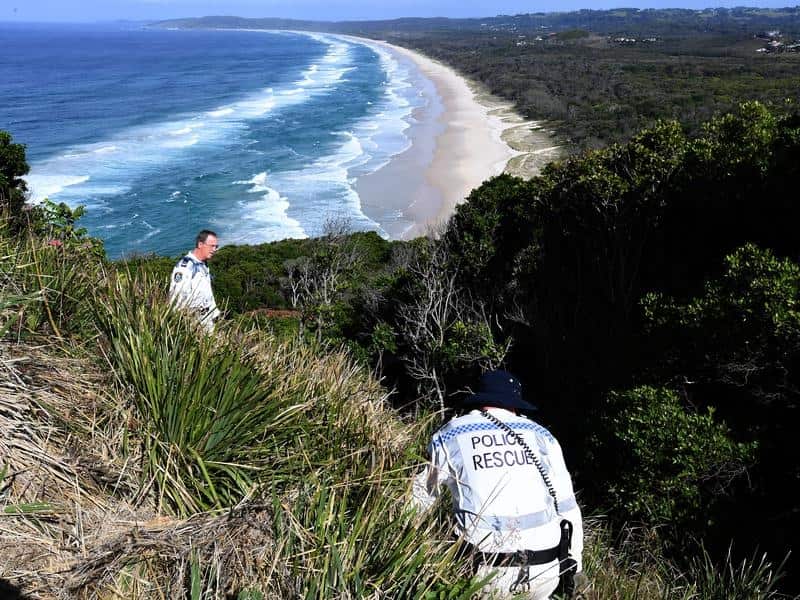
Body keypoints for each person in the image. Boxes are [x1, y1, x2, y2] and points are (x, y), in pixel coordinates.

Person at [412, 370, 584, 599]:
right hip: (545, 570)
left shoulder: (451, 433)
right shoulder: (542, 435)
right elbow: (568, 507)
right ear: (515, 404)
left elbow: (419, 497)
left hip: (482, 572)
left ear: (479, 399)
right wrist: (576, 568)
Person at [169, 229, 220, 331]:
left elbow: (207, 293)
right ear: (200, 244)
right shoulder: (185, 268)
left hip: (207, 319)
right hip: (193, 322)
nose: (214, 249)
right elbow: (176, 298)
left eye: (216, 246)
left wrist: (215, 313)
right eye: (211, 246)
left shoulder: (203, 264)